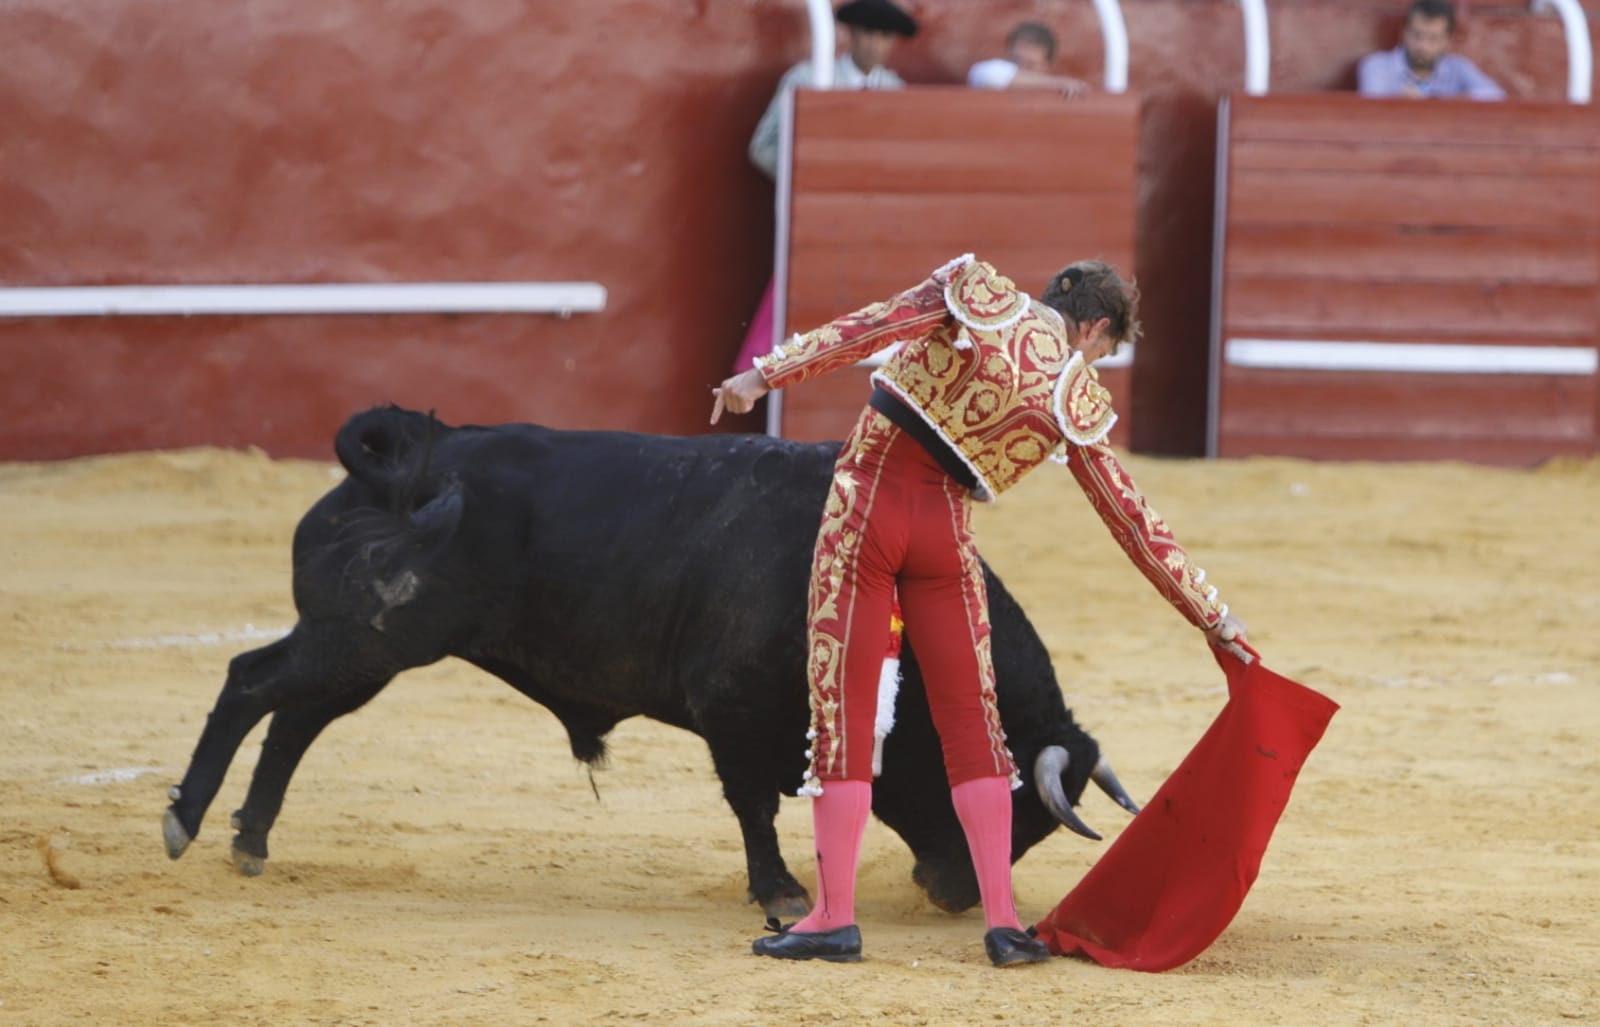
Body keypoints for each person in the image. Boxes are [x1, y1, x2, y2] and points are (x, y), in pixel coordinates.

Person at [711, 254, 1249, 967]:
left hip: (868, 502)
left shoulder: (976, 292)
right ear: (1093, 327)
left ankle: (834, 916)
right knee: (973, 719)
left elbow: (869, 326)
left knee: (846, 702)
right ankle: (1003, 922)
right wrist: (1212, 615)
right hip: (944, 533)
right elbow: (1132, 520)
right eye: (1103, 350)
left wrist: (761, 375)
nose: (1094, 361)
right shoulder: (1073, 394)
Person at [733, 0, 919, 377]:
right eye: (869, 34)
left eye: (885, 37)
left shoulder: (898, 91)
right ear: (851, 34)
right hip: (815, 220)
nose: (876, 45)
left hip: (871, 227)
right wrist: (808, 185)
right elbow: (763, 147)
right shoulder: (809, 76)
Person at [1357, 0, 1505, 100]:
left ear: (1447, 41)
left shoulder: (1458, 67)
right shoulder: (1377, 66)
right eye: (1417, 35)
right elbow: (1373, 105)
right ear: (1403, 32)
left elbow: (1496, 95)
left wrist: (1445, 102)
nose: (1423, 46)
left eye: (1433, 38)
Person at [966, 21, 1090, 98]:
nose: (1021, 69)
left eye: (1030, 65)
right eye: (1015, 61)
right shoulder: (984, 73)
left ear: (1046, 66)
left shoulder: (1053, 91)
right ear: (1007, 55)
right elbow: (989, 75)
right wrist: (1057, 83)